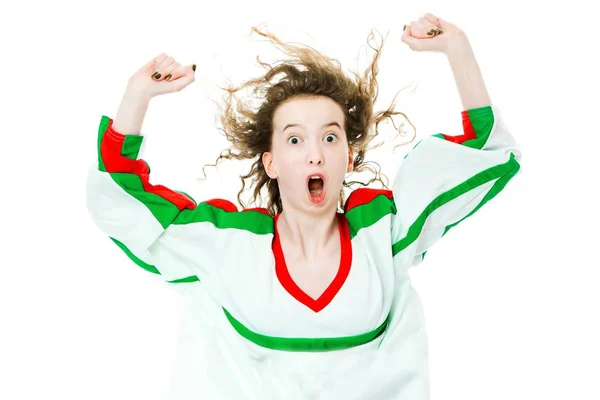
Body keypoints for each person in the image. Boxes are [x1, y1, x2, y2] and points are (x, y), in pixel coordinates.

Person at [86, 12, 522, 400]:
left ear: (347, 158)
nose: (315, 153)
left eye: (330, 138)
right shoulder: (232, 246)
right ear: (271, 163)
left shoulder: (381, 235)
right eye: (295, 139)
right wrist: (136, 97)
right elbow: (120, 200)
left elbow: (482, 153)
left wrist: (457, 49)